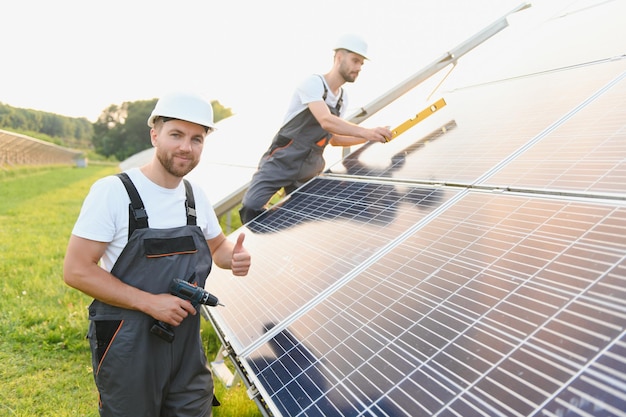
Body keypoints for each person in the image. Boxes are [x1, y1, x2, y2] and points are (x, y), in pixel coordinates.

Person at [63, 91, 251, 417]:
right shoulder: (114, 192)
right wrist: (150, 302)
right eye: (176, 135)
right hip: (129, 345)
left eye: (196, 139)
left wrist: (231, 258)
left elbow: (218, 247)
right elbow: (76, 270)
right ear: (155, 134)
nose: (185, 147)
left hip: (187, 346)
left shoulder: (196, 196)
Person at [238, 33, 393, 223]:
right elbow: (326, 121)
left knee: (317, 213)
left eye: (361, 63)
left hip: (310, 169)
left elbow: (334, 138)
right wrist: (366, 131)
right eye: (355, 61)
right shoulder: (313, 83)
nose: (358, 68)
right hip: (281, 163)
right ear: (338, 58)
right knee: (251, 208)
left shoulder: (343, 99)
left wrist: (371, 138)